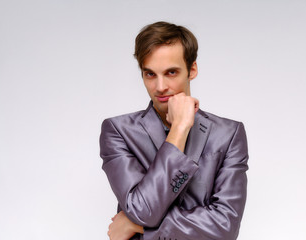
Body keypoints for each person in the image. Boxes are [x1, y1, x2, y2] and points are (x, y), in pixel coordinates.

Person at [99, 21, 249, 240]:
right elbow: (143, 210)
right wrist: (179, 129)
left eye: (171, 72)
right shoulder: (118, 131)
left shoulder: (229, 134)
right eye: (150, 74)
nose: (160, 87)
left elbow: (226, 228)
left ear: (192, 70)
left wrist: (139, 226)